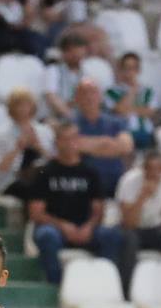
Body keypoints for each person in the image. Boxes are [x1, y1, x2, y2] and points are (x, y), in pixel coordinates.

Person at [27, 121, 127, 292]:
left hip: (85, 228)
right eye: (65, 139)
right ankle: (55, 288)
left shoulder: (90, 172)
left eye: (74, 138)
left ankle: (104, 285)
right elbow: (36, 213)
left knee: (111, 235)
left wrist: (88, 227)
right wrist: (63, 226)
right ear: (57, 142)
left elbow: (98, 210)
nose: (70, 143)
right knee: (46, 235)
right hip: (56, 229)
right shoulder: (45, 172)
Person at [116, 150, 161, 281]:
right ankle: (126, 289)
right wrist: (142, 197)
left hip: (155, 228)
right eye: (149, 168)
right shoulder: (129, 181)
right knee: (130, 241)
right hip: (132, 230)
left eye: (158, 169)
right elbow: (128, 223)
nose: (153, 173)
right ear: (143, 168)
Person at [0, 87, 52, 200]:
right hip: (12, 181)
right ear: (12, 108)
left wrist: (38, 147)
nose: (23, 109)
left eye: (26, 104)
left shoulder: (45, 131)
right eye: (19, 105)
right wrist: (18, 148)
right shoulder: (3, 134)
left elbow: (55, 161)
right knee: (32, 189)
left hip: (41, 177)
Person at [71, 77, 133, 196]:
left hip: (115, 184)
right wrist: (109, 144)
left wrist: (90, 147)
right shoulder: (70, 123)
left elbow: (126, 147)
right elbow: (73, 146)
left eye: (93, 92)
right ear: (76, 98)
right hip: (83, 188)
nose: (89, 97)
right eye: (84, 93)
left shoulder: (117, 121)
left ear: (100, 96)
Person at [106, 51, 157, 149]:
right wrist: (132, 91)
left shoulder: (148, 91)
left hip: (145, 133)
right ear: (121, 69)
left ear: (139, 70)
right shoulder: (111, 91)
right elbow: (119, 111)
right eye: (127, 68)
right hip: (122, 133)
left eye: (134, 68)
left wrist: (128, 109)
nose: (130, 72)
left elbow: (150, 112)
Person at [43, 31, 88, 120]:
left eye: (80, 52)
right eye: (73, 52)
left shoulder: (86, 73)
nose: (77, 56)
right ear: (64, 53)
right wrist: (70, 116)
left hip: (82, 118)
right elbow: (51, 97)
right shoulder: (53, 70)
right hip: (57, 118)